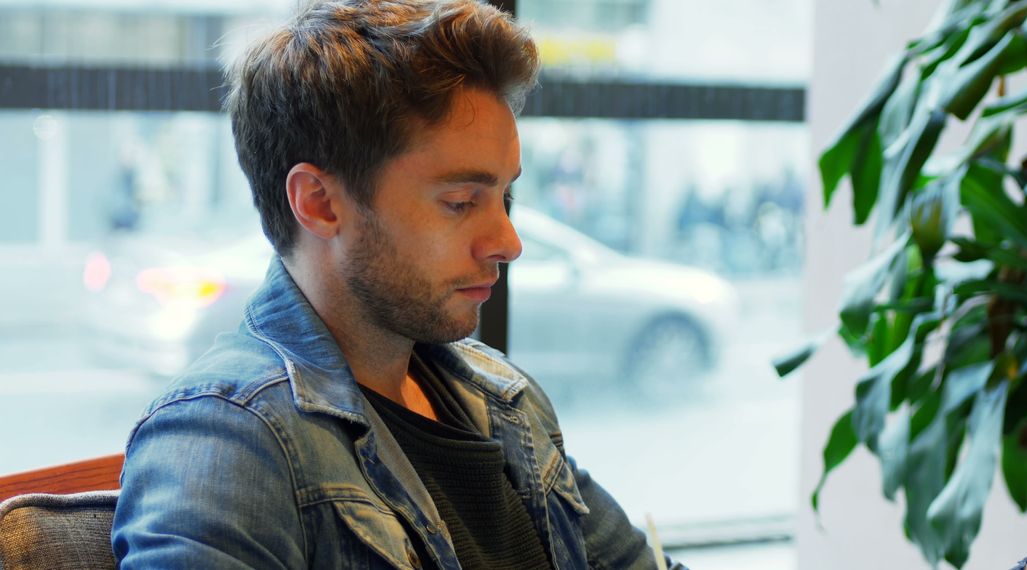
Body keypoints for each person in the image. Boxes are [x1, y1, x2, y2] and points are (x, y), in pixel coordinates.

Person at [110, 1, 682, 568]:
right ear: (320, 203)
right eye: (460, 202)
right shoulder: (227, 442)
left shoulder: (505, 398)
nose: (508, 243)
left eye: (505, 198)